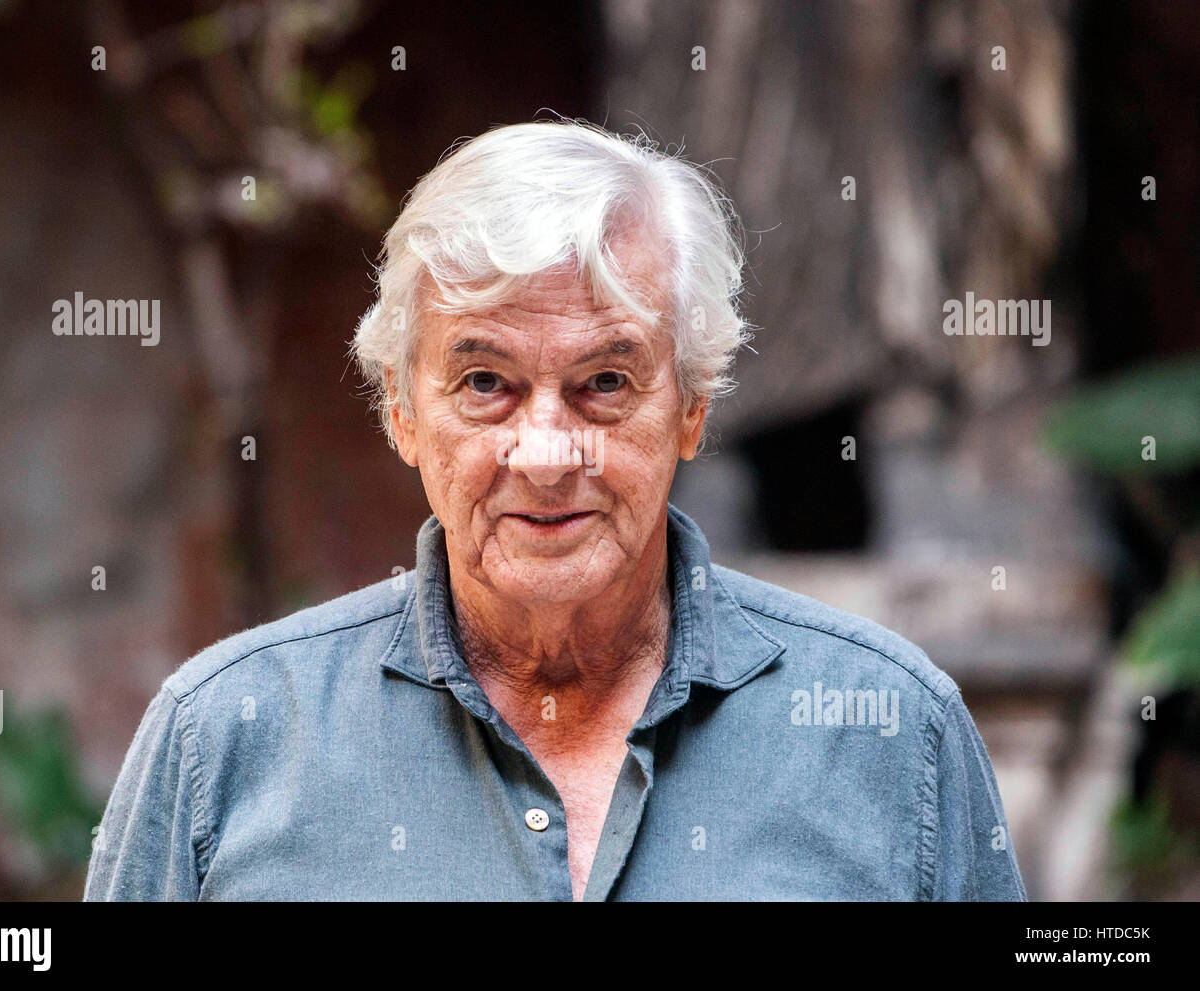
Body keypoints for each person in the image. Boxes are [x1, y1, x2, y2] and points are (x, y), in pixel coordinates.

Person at [84, 119, 1026, 901]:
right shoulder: (223, 738)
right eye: (485, 381)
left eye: (605, 382)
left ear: (692, 406)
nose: (546, 453)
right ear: (404, 413)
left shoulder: (897, 731)